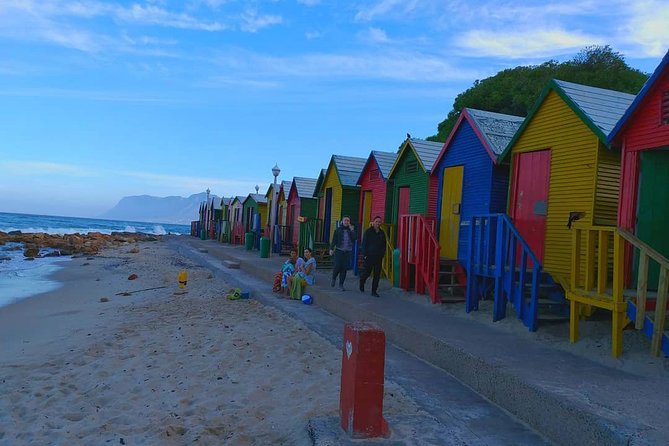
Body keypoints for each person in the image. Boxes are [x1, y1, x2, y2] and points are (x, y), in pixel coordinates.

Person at [359, 216, 387, 297]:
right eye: (376, 221)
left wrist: (382, 254)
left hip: (378, 257)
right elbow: (364, 243)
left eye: (379, 222)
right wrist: (365, 255)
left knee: (377, 275)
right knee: (367, 272)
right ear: (373, 222)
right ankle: (362, 282)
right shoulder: (368, 231)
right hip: (369, 256)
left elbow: (384, 245)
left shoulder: (382, 233)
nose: (378, 223)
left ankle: (374, 291)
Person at [329, 216, 356, 291]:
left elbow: (355, 238)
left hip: (347, 252)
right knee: (337, 266)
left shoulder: (351, 230)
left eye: (348, 221)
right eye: (345, 220)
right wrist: (331, 248)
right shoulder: (338, 230)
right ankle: (334, 278)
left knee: (344, 268)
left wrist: (352, 231)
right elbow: (334, 240)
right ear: (342, 221)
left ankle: (341, 284)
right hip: (339, 250)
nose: (346, 222)